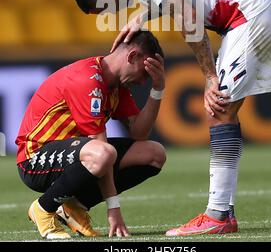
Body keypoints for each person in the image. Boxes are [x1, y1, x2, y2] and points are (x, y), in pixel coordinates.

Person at [72, 0, 271, 236]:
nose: (114, 11)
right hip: (254, 11)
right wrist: (142, 16)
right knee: (225, 111)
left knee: (218, 107)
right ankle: (223, 213)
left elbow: (188, 17)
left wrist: (209, 75)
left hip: (247, 17)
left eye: (105, 8)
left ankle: (219, 214)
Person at [16, 31, 166, 240]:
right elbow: (100, 147)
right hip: (34, 159)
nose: (143, 82)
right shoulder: (87, 80)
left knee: (154, 153)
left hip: (79, 154)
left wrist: (158, 89)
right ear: (132, 57)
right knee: (103, 153)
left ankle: (75, 206)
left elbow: (139, 133)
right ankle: (43, 208)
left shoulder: (116, 85)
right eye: (144, 73)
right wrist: (114, 209)